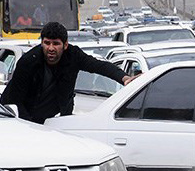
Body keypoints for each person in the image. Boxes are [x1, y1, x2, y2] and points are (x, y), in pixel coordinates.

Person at [0, 22, 138, 124]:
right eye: (47, 43)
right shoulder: (28, 61)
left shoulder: (73, 55)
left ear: (65, 45)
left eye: (56, 44)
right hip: (21, 116)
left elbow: (98, 66)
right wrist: (30, 126)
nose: (51, 48)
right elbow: (14, 100)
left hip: (57, 118)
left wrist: (124, 78)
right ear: (41, 43)